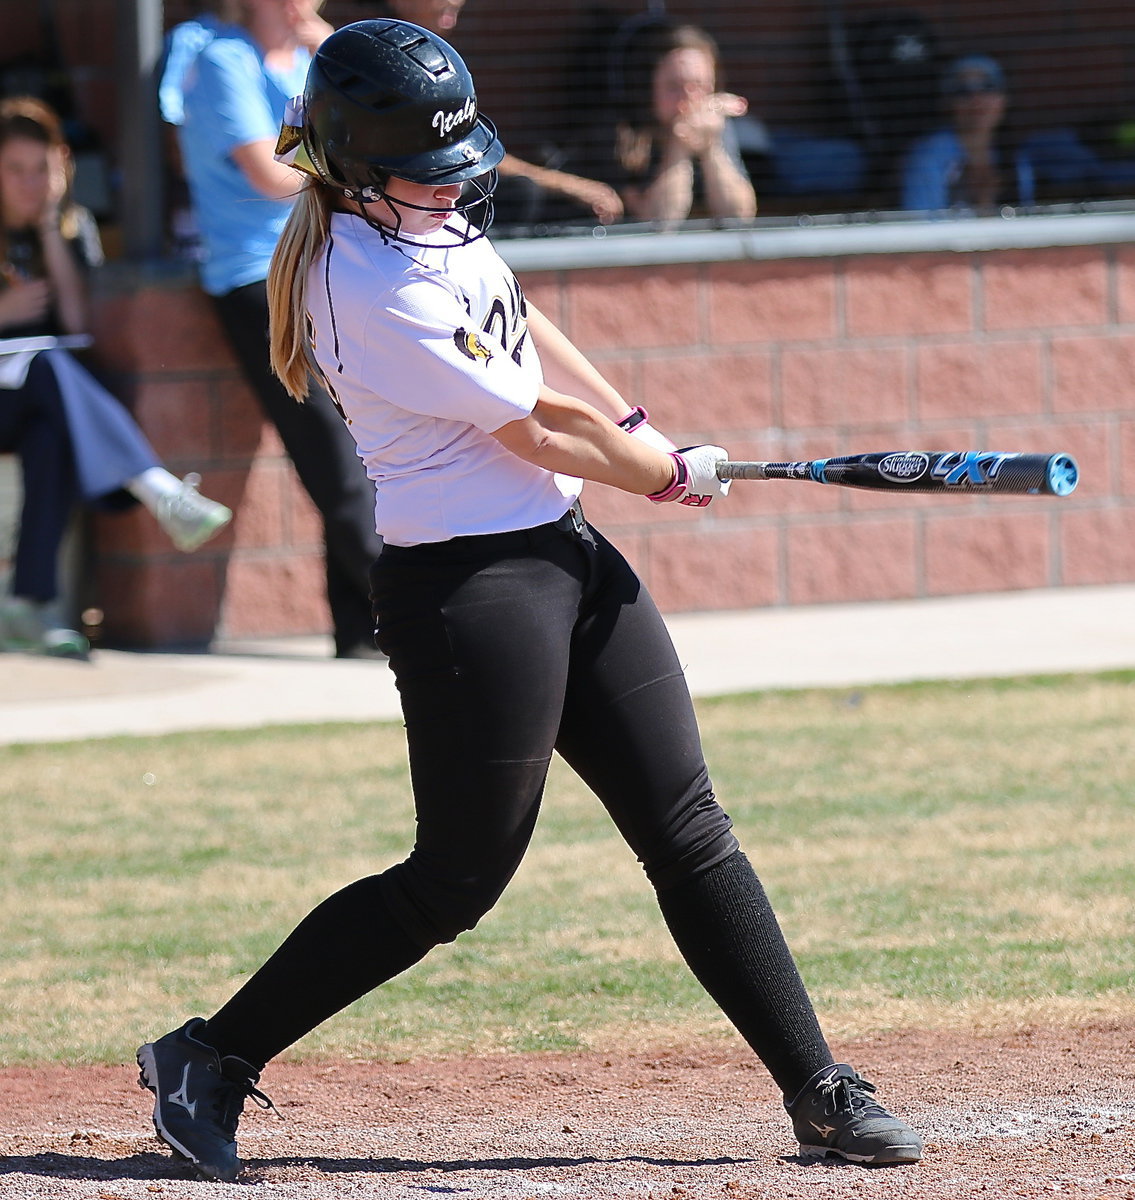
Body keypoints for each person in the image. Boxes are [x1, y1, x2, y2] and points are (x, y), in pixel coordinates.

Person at [134, 19, 922, 1183]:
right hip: (469, 589)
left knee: (688, 825)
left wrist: (642, 428)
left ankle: (818, 1086)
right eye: (427, 171)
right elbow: (533, 424)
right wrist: (654, 474)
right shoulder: (365, 284)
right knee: (455, 879)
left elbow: (528, 330)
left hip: (561, 549)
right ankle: (209, 1054)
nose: (454, 188)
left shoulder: (425, 223)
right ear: (353, 171)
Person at [161, 0, 386, 659]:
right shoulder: (221, 58)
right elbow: (273, 175)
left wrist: (333, 69)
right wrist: (345, 153)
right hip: (257, 282)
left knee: (360, 451)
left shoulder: (309, 59)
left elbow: (364, 132)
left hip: (328, 264)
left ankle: (360, 629)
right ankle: (407, 611)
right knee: (333, 454)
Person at [0, 96, 231, 658]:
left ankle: (25, 607)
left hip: (36, 403)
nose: (29, 184)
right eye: (14, 171)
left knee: (50, 427)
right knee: (51, 365)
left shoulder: (71, 227)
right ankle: (160, 490)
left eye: (42, 170)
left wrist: (51, 230)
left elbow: (78, 321)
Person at [377, 0, 623, 226]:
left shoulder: (438, 56)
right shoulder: (373, 57)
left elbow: (469, 149)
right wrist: (567, 185)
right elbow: (469, 155)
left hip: (432, 219)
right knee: (522, 193)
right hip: (387, 214)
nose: (455, 1)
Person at [575, 18, 757, 226]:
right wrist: (678, 145)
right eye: (674, 87)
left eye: (699, 85)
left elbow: (739, 217)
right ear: (647, 88)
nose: (689, 99)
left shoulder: (712, 123)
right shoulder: (620, 133)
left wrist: (711, 146)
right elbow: (657, 222)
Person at [900, 54, 1035, 213]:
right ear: (947, 103)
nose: (976, 99)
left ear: (1004, 99)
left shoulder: (1015, 158)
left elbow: (1026, 225)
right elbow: (920, 230)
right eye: (963, 91)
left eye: (988, 87)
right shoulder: (928, 157)